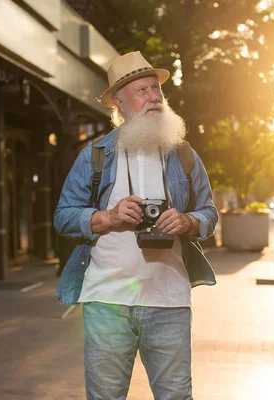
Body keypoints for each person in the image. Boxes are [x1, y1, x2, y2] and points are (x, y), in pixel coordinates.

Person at [54, 51, 218, 400]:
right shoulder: (95, 155)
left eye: (156, 89)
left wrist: (187, 221)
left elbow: (209, 214)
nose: (155, 97)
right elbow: (63, 217)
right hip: (107, 301)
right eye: (142, 90)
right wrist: (109, 218)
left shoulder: (184, 153)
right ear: (120, 102)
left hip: (169, 301)